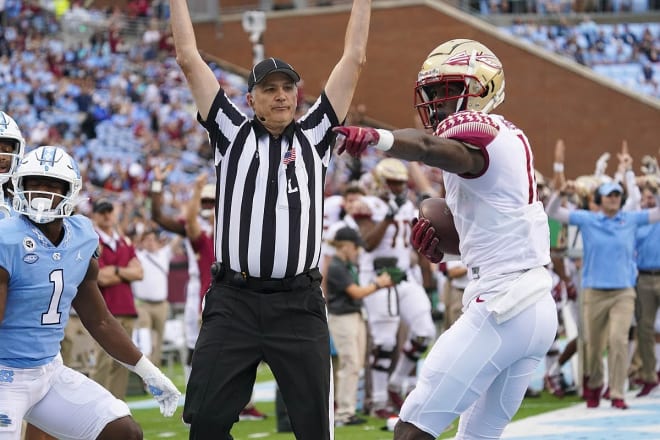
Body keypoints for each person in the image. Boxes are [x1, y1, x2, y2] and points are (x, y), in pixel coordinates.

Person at [334, 38, 558, 439]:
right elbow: (490, 224)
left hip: (504, 303)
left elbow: (427, 147)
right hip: (533, 300)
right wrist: (451, 242)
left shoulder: (482, 129)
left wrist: (378, 138)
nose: (437, 102)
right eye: (432, 92)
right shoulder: (499, 144)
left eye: (447, 89)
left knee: (412, 429)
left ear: (484, 88)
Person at [169, 0, 372, 435]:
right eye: (269, 89)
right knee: (205, 419)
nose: (281, 95)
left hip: (298, 303)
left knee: (314, 425)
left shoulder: (317, 135)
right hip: (234, 300)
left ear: (298, 95)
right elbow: (188, 58)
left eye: (287, 88)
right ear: (251, 99)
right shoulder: (229, 130)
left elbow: (353, 60)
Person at [0, 146, 180, 440]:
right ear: (20, 187)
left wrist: (148, 371)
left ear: (70, 192)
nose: (42, 194)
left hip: (48, 373)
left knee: (122, 431)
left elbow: (100, 320)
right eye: (35, 184)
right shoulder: (6, 238)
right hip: (4, 376)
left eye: (52, 186)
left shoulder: (82, 237)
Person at [545, 175, 660, 409]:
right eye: (610, 195)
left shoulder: (630, 219)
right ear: (601, 198)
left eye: (617, 195)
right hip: (594, 291)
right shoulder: (589, 219)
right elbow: (553, 212)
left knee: (618, 339)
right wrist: (562, 193)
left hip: (623, 292)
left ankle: (617, 392)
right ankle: (595, 383)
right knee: (592, 345)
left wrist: (656, 190)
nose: (614, 199)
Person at [326, 226, 393, 426]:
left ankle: (348, 409)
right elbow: (355, 292)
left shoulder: (346, 265)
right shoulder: (337, 266)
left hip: (354, 316)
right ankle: (343, 412)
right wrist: (378, 284)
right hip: (343, 317)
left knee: (355, 365)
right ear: (346, 246)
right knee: (349, 363)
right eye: (356, 247)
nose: (358, 251)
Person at [90, 197, 145, 400]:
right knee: (103, 362)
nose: (106, 215)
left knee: (123, 363)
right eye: (101, 211)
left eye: (109, 210)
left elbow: (139, 272)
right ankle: (94, 407)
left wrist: (115, 270)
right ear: (94, 215)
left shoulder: (124, 241)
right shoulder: (93, 240)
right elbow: (100, 277)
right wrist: (124, 272)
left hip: (126, 308)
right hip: (104, 311)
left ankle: (117, 408)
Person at [132, 229, 181, 367]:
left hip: (161, 304)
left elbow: (176, 241)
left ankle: (155, 372)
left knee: (158, 340)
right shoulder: (138, 257)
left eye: (153, 239)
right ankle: (144, 369)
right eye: (147, 240)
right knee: (145, 337)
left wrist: (181, 226)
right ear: (142, 243)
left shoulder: (163, 254)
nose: (151, 243)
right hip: (142, 304)